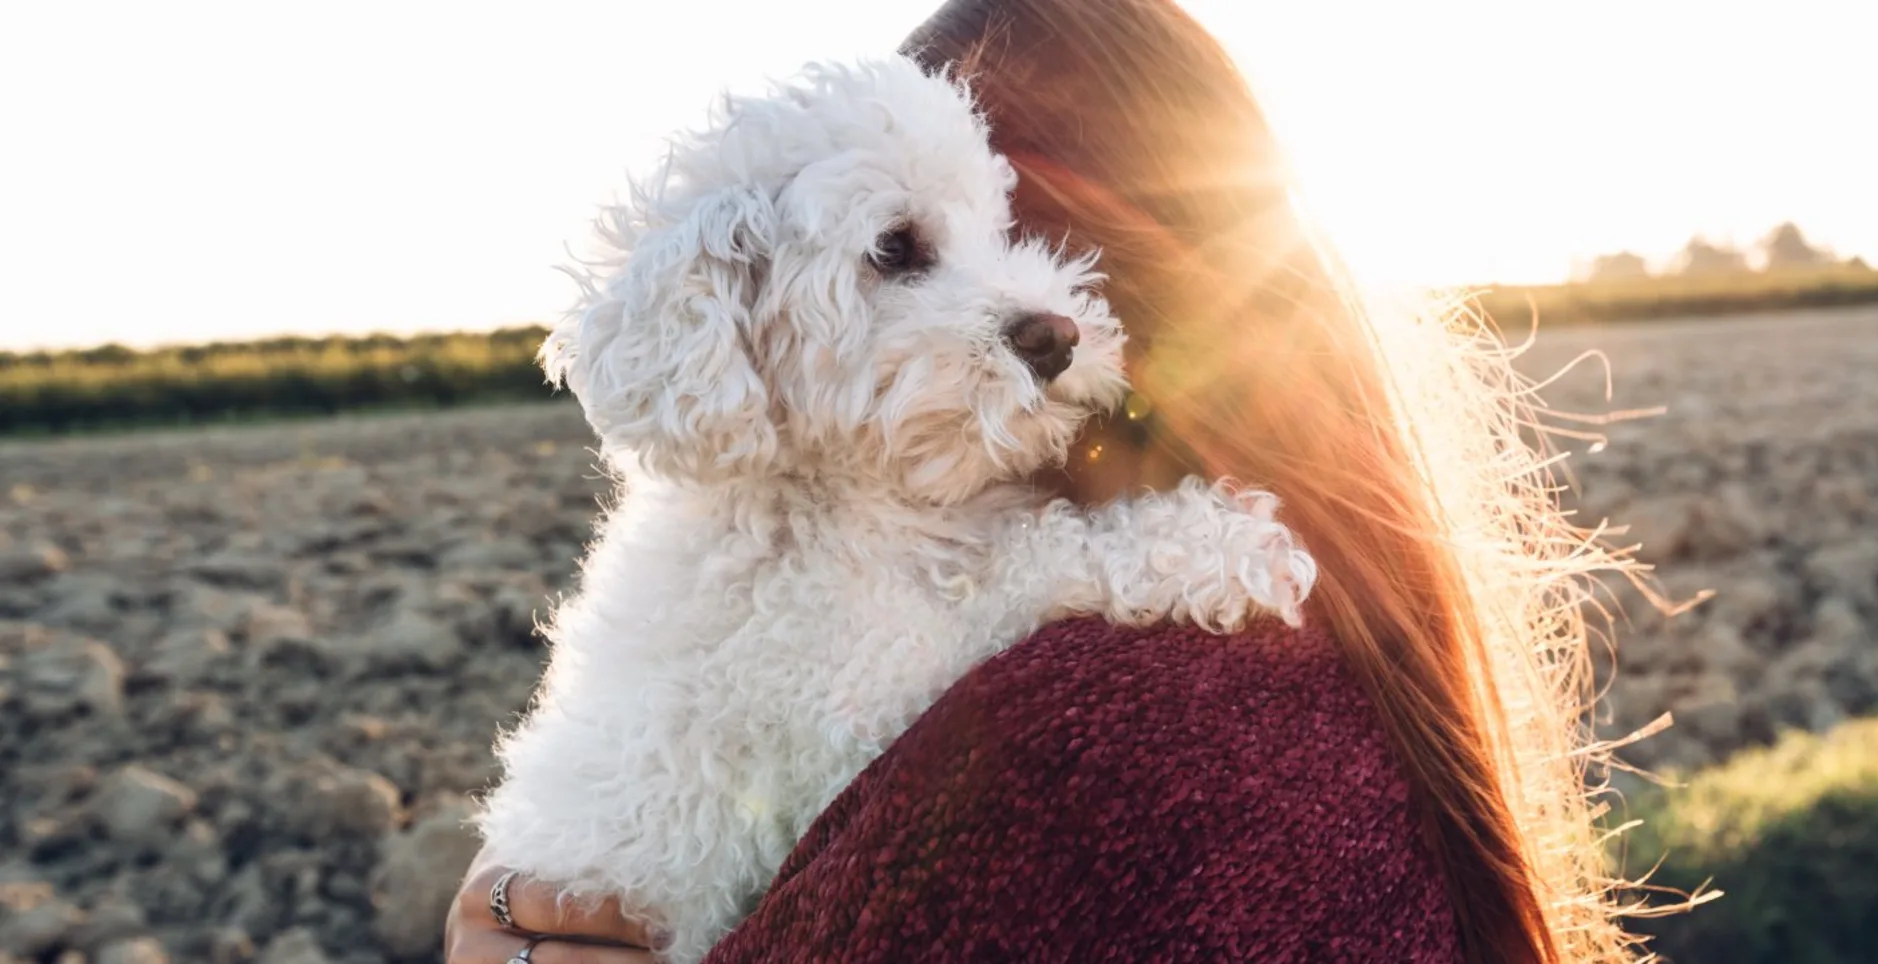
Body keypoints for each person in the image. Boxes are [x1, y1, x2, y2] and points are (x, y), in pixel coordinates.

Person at [445, 0, 1649, 961]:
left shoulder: (1076, 740)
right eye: (904, 255)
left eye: (1019, 238)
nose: (1034, 306)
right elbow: (864, 690)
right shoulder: (1344, 655)